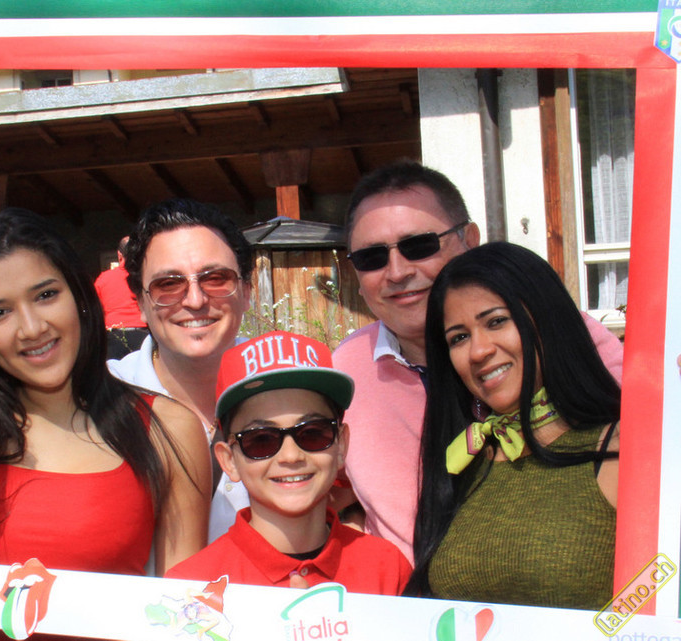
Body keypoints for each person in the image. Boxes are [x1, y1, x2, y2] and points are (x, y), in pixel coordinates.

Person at [0, 209, 211, 638]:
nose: (31, 328)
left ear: (78, 294)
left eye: (45, 295)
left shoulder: (166, 429)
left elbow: (184, 621)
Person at [332, 159, 624, 564]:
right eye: (371, 257)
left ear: (469, 239)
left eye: (419, 246)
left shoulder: (558, 336)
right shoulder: (345, 370)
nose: (397, 272)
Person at [405, 242, 620, 610]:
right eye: (459, 337)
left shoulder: (622, 446)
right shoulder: (463, 460)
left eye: (496, 321)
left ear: (547, 320)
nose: (478, 351)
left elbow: (656, 598)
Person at [166, 331, 412, 595]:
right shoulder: (189, 589)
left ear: (341, 444)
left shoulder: (388, 568)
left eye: (313, 433)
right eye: (261, 439)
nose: (291, 456)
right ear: (229, 461)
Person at [108, 198, 253, 542]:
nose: (195, 300)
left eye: (215, 279)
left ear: (247, 290)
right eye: (168, 285)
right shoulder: (102, 400)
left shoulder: (293, 384)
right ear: (141, 303)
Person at [93, 236, 149, 359]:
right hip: (143, 335)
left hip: (114, 336)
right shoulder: (144, 277)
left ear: (119, 255)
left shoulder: (104, 278)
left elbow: (94, 310)